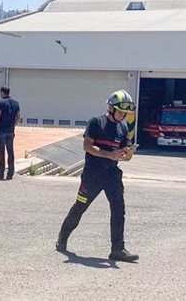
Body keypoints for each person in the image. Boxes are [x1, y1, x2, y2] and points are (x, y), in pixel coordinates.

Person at [56, 90, 139, 263]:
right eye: (120, 111)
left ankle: (117, 249)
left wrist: (128, 153)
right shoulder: (96, 122)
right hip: (93, 174)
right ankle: (63, 237)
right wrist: (110, 154)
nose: (123, 115)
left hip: (112, 175)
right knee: (80, 206)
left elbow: (126, 155)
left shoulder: (122, 128)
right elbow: (87, 146)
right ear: (111, 108)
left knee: (118, 210)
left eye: (125, 112)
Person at [0, 86, 21, 180]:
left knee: (1, 152)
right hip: (10, 130)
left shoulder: (0, 102)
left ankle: (1, 173)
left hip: (1, 130)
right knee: (10, 152)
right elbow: (18, 117)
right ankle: (10, 173)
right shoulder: (16, 103)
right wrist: (13, 126)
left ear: (2, 92)